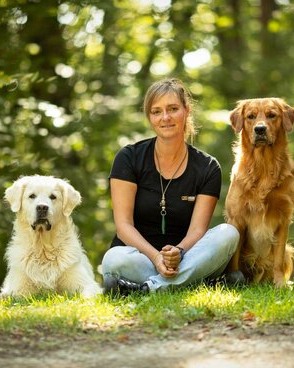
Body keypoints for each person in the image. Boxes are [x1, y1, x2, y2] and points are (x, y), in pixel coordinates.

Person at [102, 78, 239, 295]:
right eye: (157, 111)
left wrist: (179, 252)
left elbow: (197, 230)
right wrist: (156, 257)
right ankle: (198, 282)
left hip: (186, 258)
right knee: (114, 259)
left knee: (228, 233)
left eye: (173, 109)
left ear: (187, 110)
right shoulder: (128, 157)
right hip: (140, 258)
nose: (165, 117)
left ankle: (149, 288)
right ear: (150, 117)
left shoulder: (207, 166)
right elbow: (124, 226)